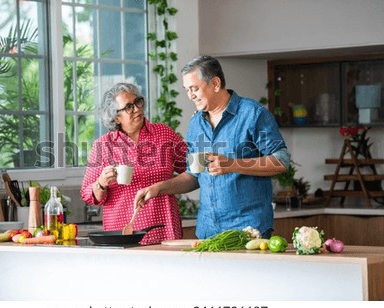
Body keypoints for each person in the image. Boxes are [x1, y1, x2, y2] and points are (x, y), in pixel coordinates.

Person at [134, 55, 291, 239]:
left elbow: (281, 160)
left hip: (248, 230)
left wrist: (233, 165)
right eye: (187, 90)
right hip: (208, 231)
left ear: (215, 84)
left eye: (194, 88)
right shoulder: (196, 124)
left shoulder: (252, 114)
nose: (190, 95)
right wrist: (159, 188)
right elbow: (194, 174)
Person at [80, 82, 187, 244]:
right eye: (129, 107)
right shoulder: (103, 145)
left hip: (164, 229)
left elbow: (192, 171)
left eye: (138, 102)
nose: (137, 109)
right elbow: (88, 195)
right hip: (122, 233)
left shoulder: (164, 133)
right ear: (116, 117)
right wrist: (101, 182)